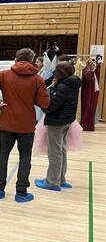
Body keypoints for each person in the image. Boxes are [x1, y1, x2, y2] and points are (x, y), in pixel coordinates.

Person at [0, 48, 50, 203]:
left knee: (3, 155)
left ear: (16, 59)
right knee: (25, 157)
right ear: (32, 59)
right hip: (26, 125)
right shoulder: (37, 79)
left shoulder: (4, 75)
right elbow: (45, 103)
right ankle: (21, 192)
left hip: (7, 123)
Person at [36, 62, 81, 191]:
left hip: (57, 122)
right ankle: (60, 179)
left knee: (54, 152)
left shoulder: (62, 87)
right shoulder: (72, 84)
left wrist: (40, 102)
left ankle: (52, 182)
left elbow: (50, 107)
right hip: (67, 121)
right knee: (61, 150)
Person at [80, 57, 100, 131]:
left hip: (92, 90)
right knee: (87, 105)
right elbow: (88, 76)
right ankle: (86, 124)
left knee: (91, 106)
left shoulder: (91, 67)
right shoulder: (85, 67)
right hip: (87, 91)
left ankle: (88, 123)